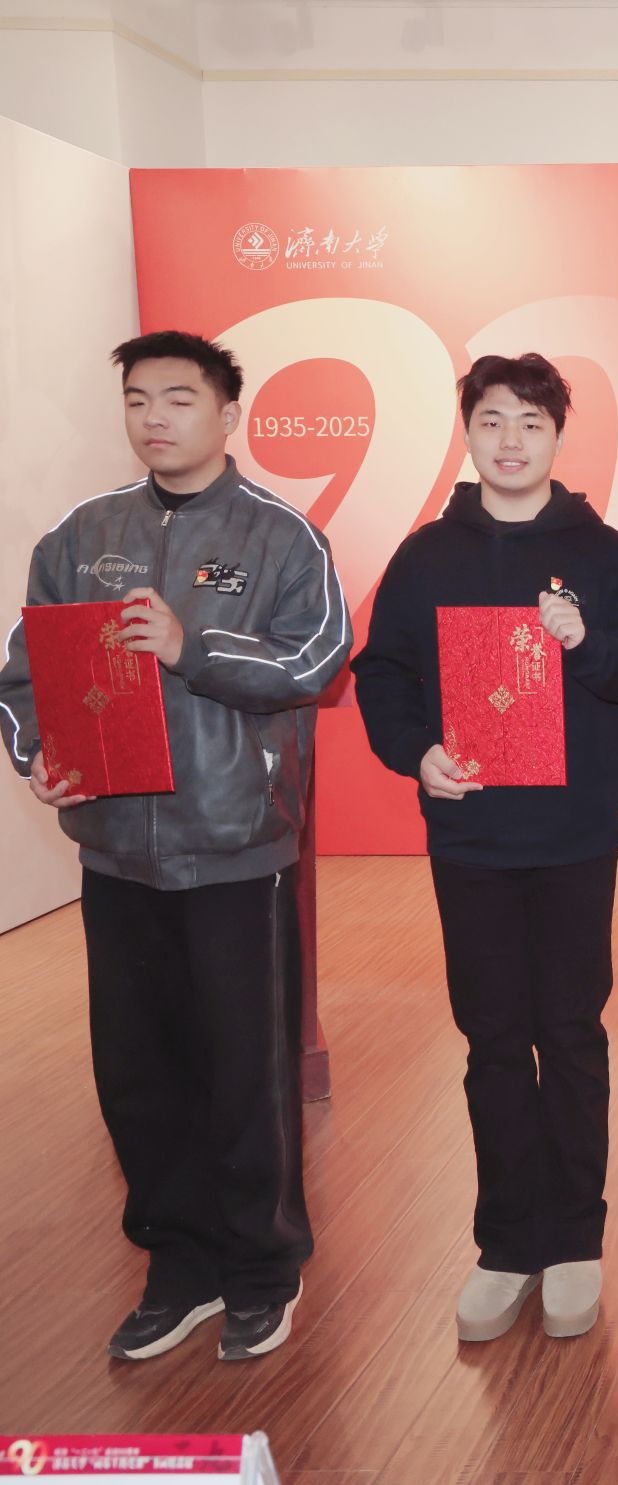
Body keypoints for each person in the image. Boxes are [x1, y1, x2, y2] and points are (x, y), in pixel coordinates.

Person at [0, 330, 349, 1361]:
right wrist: (40, 757)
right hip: (115, 852)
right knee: (138, 1074)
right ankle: (179, 1266)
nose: (155, 418)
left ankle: (262, 1269)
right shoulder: (81, 536)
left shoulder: (282, 537)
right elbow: (25, 676)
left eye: (179, 399)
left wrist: (191, 647)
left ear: (228, 414)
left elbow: (316, 660)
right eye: (139, 400)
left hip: (236, 848)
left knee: (246, 1071)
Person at [352, 353, 618, 1344]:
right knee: (492, 1038)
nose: (510, 440)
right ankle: (505, 1244)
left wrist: (585, 643)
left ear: (557, 438)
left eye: (531, 423)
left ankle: (574, 1238)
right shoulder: (425, 558)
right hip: (471, 837)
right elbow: (383, 675)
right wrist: (417, 754)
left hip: (575, 836)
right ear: (468, 431)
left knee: (570, 1034)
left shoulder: (602, 553)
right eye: (493, 420)